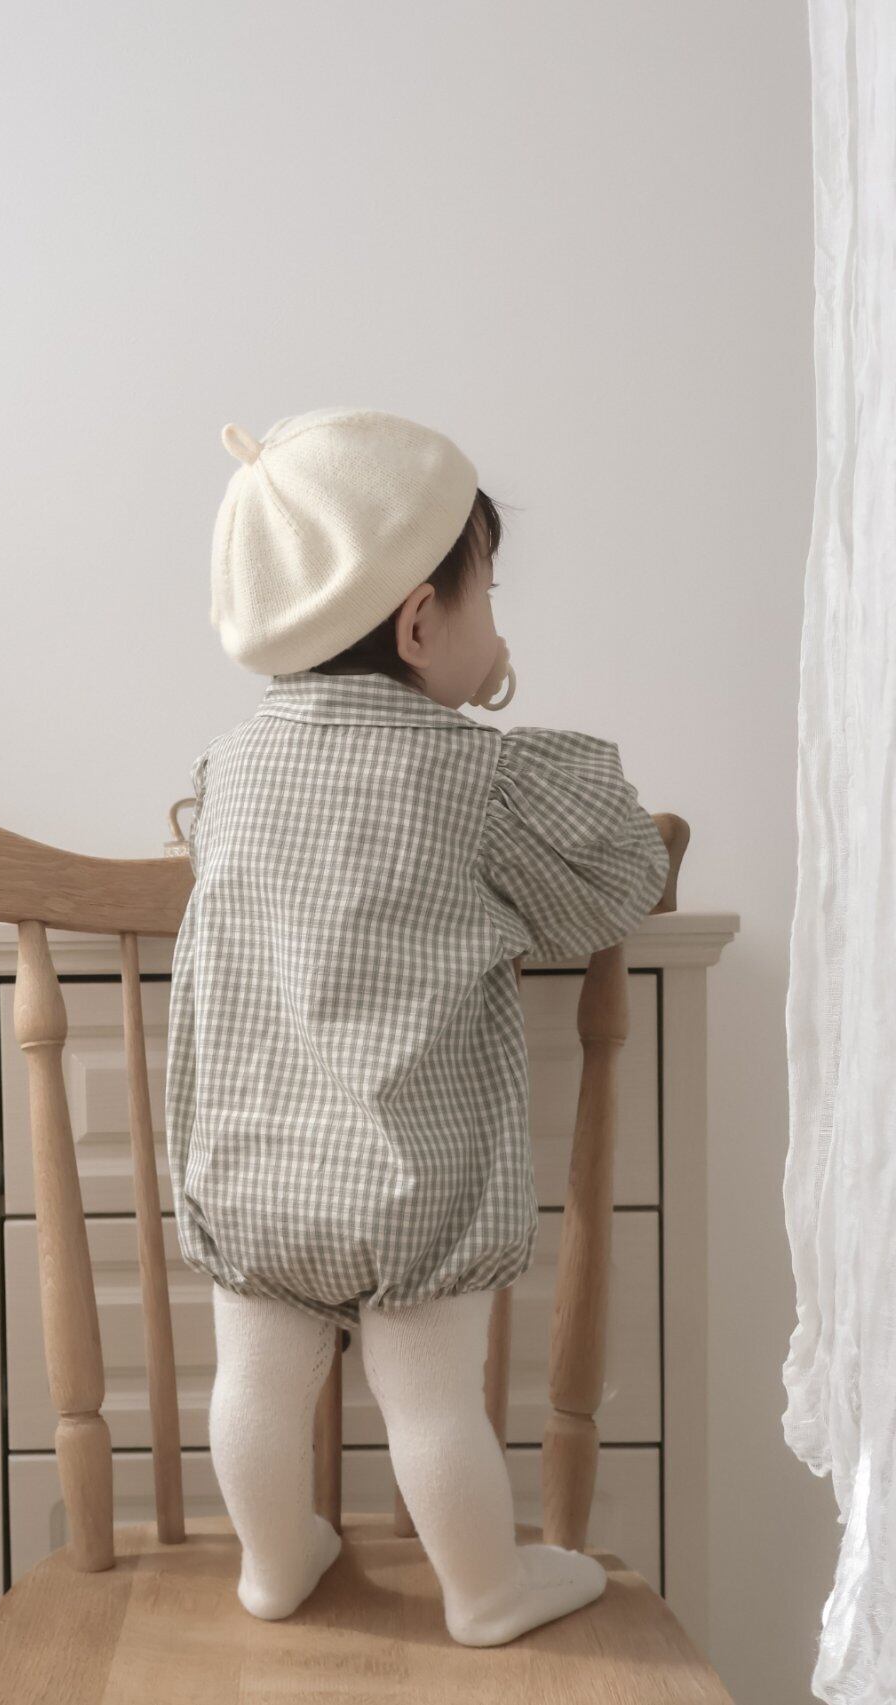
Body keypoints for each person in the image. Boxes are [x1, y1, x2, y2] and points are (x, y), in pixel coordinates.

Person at [164, 408, 669, 1646]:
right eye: (486, 593)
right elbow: (614, 885)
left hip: (253, 1167)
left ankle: (273, 1565)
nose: (494, 621)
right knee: (431, 1402)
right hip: (413, 1177)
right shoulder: (478, 778)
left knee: (253, 1383)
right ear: (418, 622)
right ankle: (483, 1589)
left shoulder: (231, 770)